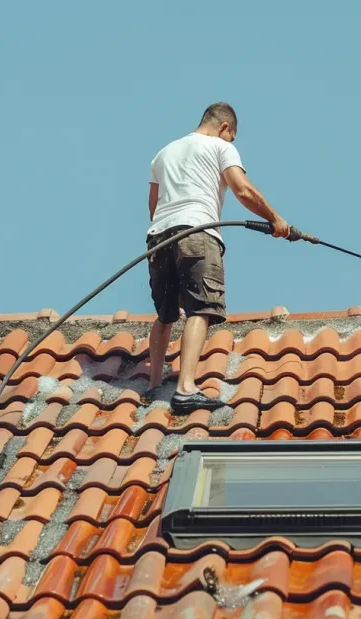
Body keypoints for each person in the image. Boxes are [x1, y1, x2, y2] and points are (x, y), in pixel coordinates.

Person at [145, 102, 291, 415]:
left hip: (159, 237)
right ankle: (185, 389)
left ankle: (154, 384)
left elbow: (153, 206)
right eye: (232, 137)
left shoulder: (163, 153)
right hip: (198, 231)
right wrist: (275, 219)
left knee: (166, 314)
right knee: (202, 308)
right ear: (224, 127)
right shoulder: (219, 147)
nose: (231, 142)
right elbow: (243, 190)